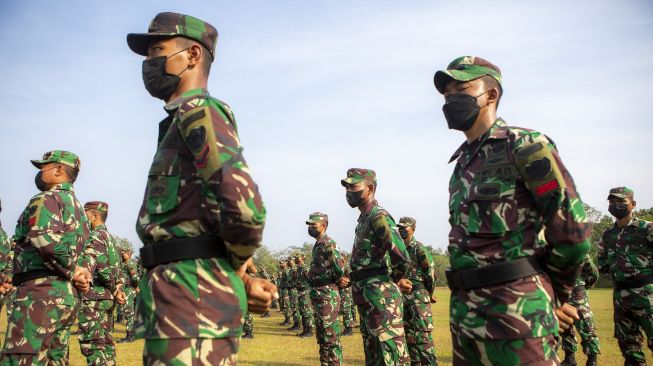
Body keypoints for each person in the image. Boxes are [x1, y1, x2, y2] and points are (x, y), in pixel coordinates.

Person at [127, 12, 275, 363]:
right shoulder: (181, 118)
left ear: (192, 55)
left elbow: (244, 208)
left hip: (193, 296)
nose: (149, 62)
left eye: (157, 49)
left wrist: (235, 267)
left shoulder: (199, 109)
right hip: (180, 295)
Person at [434, 56, 591, 365]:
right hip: (465, 318)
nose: (452, 99)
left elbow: (572, 233)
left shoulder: (525, 146)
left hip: (517, 315)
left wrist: (554, 295)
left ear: (491, 95)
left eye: (462, 89)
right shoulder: (464, 162)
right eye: (446, 94)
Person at [1, 150, 92, 365]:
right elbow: (86, 251)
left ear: (59, 169)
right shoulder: (79, 209)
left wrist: (73, 271)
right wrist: (81, 273)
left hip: (40, 293)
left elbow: (44, 239)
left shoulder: (46, 198)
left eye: (43, 167)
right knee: (54, 359)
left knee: (22, 358)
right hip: (67, 295)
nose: (40, 172)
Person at [341, 168, 410, 365]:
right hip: (366, 297)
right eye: (346, 187)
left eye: (353, 186)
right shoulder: (363, 219)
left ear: (369, 188)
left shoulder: (378, 216)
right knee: (374, 358)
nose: (348, 192)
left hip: (381, 298)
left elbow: (401, 255)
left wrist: (396, 280)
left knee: (390, 358)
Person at [598, 187, 653, 366]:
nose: (616, 205)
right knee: (629, 348)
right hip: (620, 297)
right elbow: (603, 263)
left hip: (647, 295)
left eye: (622, 201)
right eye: (612, 202)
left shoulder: (647, 229)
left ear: (633, 204)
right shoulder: (607, 235)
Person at [79, 201, 126, 365]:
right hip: (107, 300)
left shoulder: (95, 237)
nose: (82, 218)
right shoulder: (113, 240)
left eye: (85, 214)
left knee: (93, 345)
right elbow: (120, 271)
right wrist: (118, 289)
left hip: (95, 299)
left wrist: (114, 288)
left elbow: (102, 269)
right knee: (106, 344)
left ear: (94, 216)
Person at [396, 217, 438, 365]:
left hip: (419, 296)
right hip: (402, 297)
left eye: (404, 228)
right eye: (399, 228)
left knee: (423, 337)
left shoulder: (419, 248)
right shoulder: (398, 250)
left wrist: (427, 293)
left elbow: (431, 273)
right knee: (408, 337)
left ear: (412, 229)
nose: (401, 230)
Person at [306, 212, 345, 364]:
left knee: (330, 338)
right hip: (319, 295)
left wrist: (329, 280)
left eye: (313, 225)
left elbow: (338, 269)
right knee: (322, 338)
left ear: (324, 226)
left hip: (327, 295)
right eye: (309, 225)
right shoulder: (318, 244)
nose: (310, 227)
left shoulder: (329, 243)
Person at [561, 254, 600, 366]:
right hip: (560, 293)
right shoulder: (551, 249)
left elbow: (594, 274)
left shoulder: (579, 249)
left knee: (586, 326)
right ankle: (569, 359)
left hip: (577, 294)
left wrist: (582, 286)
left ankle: (592, 360)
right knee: (565, 327)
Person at [117, 247, 140, 343]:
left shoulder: (130, 264)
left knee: (129, 313)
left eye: (124, 254)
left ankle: (129, 336)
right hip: (126, 289)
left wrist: (135, 287)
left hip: (129, 290)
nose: (122, 255)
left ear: (129, 255)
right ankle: (131, 335)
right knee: (129, 313)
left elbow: (135, 278)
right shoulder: (125, 264)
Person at [295, 254, 315, 337]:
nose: (295, 258)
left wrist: (309, 290)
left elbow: (310, 279)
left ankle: (309, 331)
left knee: (307, 312)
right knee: (302, 312)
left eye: (297, 257)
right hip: (300, 292)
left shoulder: (305, 268)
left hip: (305, 292)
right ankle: (305, 330)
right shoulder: (298, 268)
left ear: (302, 258)